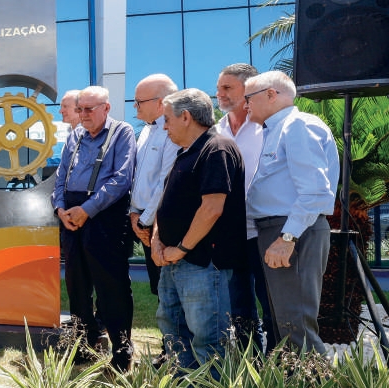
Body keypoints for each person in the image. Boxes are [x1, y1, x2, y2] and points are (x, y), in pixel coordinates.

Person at [244, 71, 339, 355]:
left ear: (271, 94)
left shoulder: (297, 125)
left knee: (296, 326)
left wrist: (287, 238)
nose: (245, 105)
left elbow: (315, 191)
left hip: (293, 231)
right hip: (279, 230)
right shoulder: (277, 129)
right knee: (284, 324)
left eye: (249, 98)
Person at [151, 89, 246, 369]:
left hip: (203, 263)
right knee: (174, 334)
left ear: (186, 116)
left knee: (208, 338)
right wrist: (157, 243)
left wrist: (180, 249)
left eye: (167, 119)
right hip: (173, 262)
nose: (164, 127)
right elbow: (163, 205)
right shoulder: (184, 154)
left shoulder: (216, 148)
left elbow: (212, 209)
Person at [51, 86, 136, 372]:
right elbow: (61, 176)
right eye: (80, 109)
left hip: (104, 217)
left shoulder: (122, 133)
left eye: (89, 109)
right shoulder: (74, 136)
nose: (83, 115)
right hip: (71, 218)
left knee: (111, 287)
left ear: (106, 108)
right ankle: (83, 346)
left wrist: (87, 210)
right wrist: (60, 209)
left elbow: (121, 179)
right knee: (77, 285)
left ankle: (121, 352)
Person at [216, 63, 271, 354]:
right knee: (239, 306)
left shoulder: (266, 126)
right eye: (218, 88)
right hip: (231, 232)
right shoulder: (217, 130)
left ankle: (279, 367)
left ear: (248, 89)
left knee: (271, 302)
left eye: (227, 88)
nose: (219, 94)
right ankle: (250, 363)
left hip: (265, 229)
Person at [129, 74, 179, 296]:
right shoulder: (146, 131)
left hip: (159, 221)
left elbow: (165, 182)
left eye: (139, 101)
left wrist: (145, 222)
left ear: (160, 102)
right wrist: (134, 214)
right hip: (141, 219)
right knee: (158, 288)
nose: (135, 106)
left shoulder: (173, 132)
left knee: (169, 289)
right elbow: (136, 178)